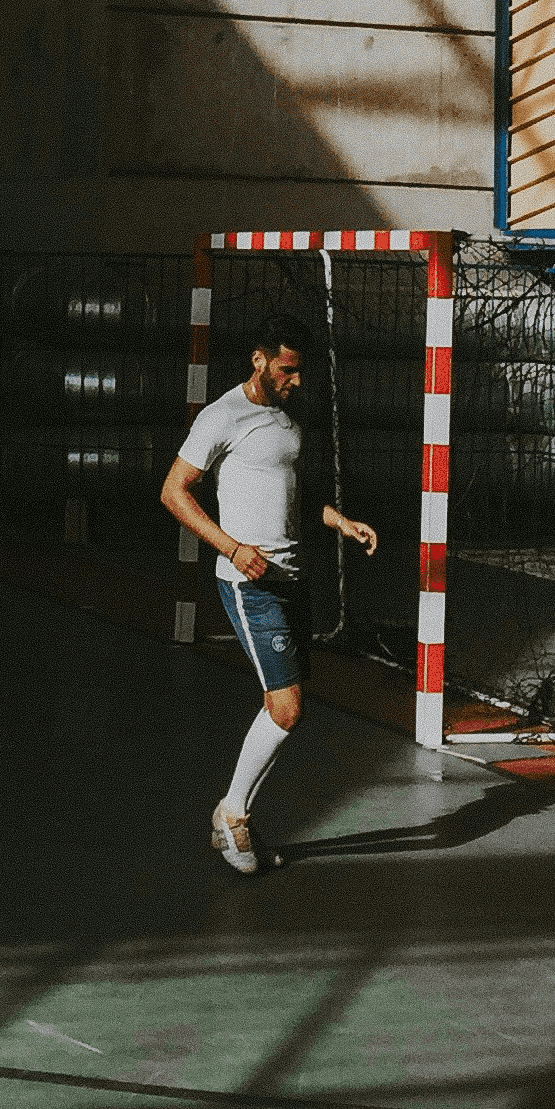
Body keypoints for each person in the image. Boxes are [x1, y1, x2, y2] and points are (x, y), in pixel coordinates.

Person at [162, 313, 380, 875]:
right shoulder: (221, 416)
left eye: (300, 372)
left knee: (286, 707)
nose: (296, 381)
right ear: (259, 360)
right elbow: (174, 492)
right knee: (286, 707)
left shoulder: (286, 421)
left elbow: (297, 496)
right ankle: (231, 814)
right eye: (287, 370)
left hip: (291, 579)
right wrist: (232, 549)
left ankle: (240, 818)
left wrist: (341, 522)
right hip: (248, 582)